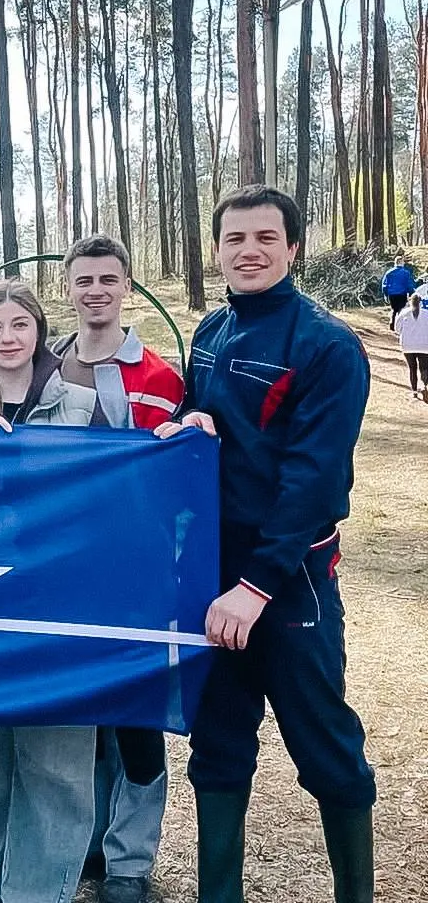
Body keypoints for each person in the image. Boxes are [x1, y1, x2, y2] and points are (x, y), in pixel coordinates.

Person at [0, 235, 183, 903]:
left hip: (61, 606)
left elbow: (114, 495)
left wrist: (176, 444)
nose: (8, 337)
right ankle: (8, 880)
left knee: (57, 761)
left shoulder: (81, 401)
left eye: (20, 324)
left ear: (40, 331)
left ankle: (35, 891)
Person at [155, 186, 376, 903]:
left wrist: (255, 589)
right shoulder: (212, 330)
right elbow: (208, 415)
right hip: (210, 569)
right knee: (218, 745)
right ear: (218, 249)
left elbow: (313, 480)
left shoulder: (327, 344)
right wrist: (190, 421)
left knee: (324, 744)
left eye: (265, 238)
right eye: (235, 239)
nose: (248, 251)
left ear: (293, 248)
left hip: (290, 576)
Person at [395, 292, 428, 401]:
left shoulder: (403, 313)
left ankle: (414, 392)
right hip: (424, 345)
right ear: (420, 302)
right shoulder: (426, 313)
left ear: (410, 301)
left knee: (412, 368)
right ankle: (425, 386)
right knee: (424, 368)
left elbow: (397, 329)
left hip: (407, 345)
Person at [381, 256, 417, 330]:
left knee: (394, 309)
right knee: (401, 309)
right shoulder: (406, 273)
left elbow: (384, 285)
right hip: (402, 294)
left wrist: (385, 294)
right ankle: (399, 326)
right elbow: (409, 284)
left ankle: (392, 325)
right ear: (401, 262)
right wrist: (411, 293)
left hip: (392, 294)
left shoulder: (389, 272)